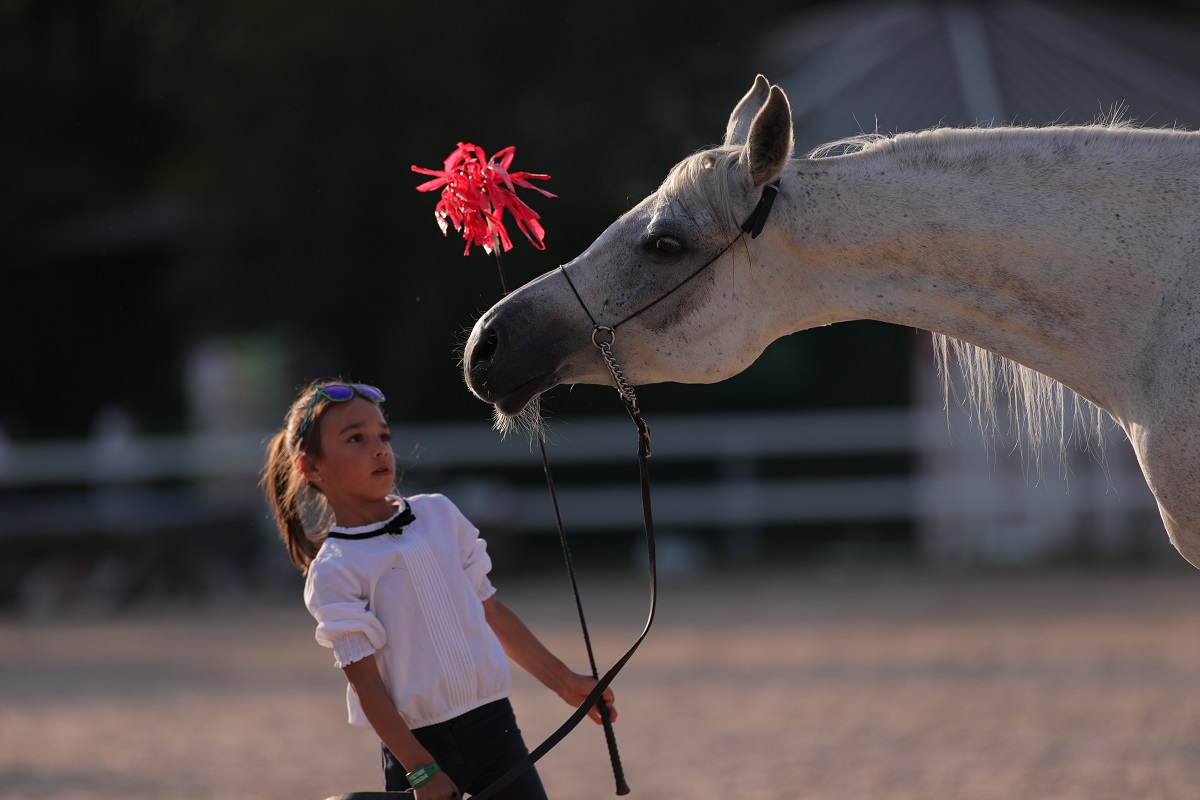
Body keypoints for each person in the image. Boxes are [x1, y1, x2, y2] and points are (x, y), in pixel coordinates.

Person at [261, 380, 616, 799]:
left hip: (496, 729)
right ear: (310, 467)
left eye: (383, 436)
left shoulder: (440, 514)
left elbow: (492, 613)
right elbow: (366, 685)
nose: (379, 449)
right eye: (355, 438)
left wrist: (565, 682)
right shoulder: (335, 569)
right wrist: (420, 770)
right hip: (417, 749)